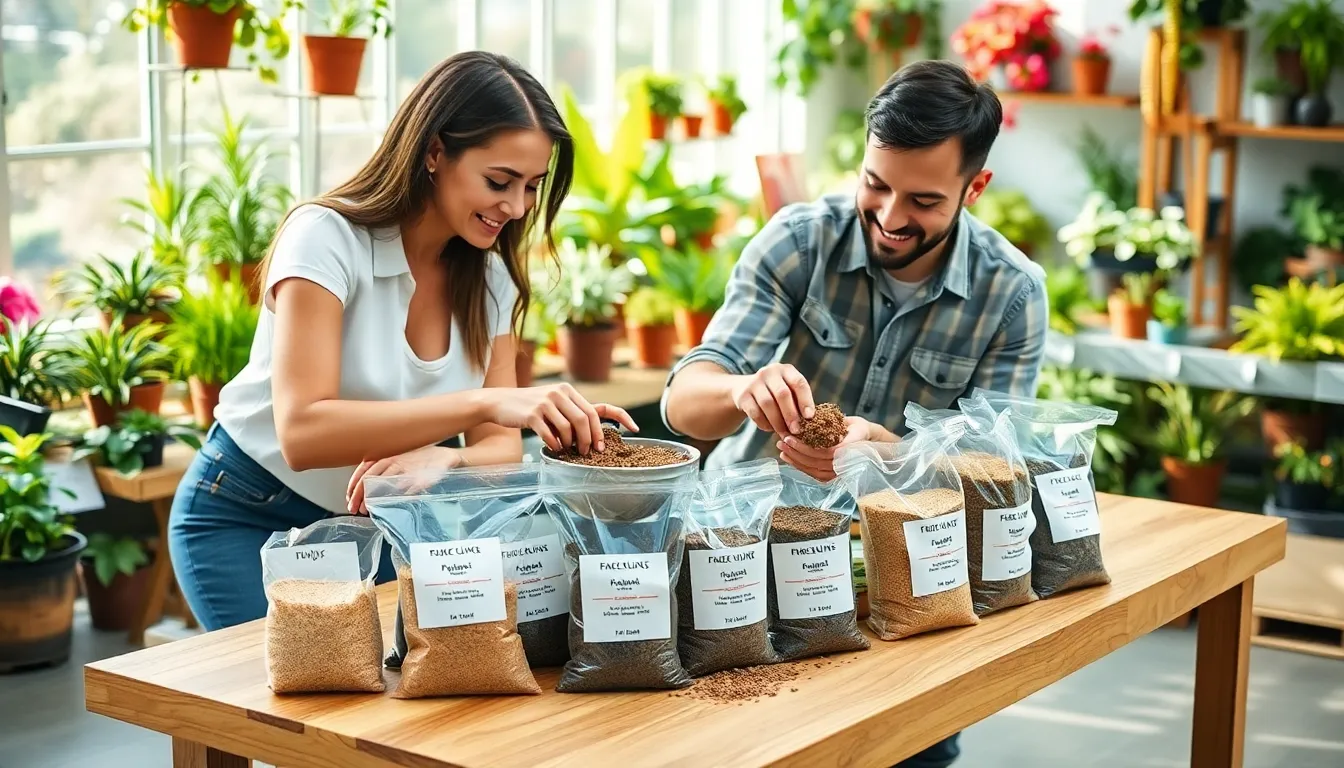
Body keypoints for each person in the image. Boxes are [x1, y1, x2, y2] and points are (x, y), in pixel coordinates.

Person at [661, 60, 1047, 768]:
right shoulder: (799, 240)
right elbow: (685, 404)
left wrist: (894, 456)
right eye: (876, 184)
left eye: (924, 201)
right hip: (743, 571)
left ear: (975, 187)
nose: (892, 217)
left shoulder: (1012, 294)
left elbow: (1000, 484)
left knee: (908, 753)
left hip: (904, 592)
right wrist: (741, 391)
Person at [169, 51, 636, 633]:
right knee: (274, 709)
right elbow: (302, 432)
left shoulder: (487, 273)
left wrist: (450, 454)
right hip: (249, 511)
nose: (516, 208)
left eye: (532, 187)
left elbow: (500, 451)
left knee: (385, 705)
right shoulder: (325, 238)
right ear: (434, 152)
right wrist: (485, 403)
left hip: (379, 524)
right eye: (499, 181)